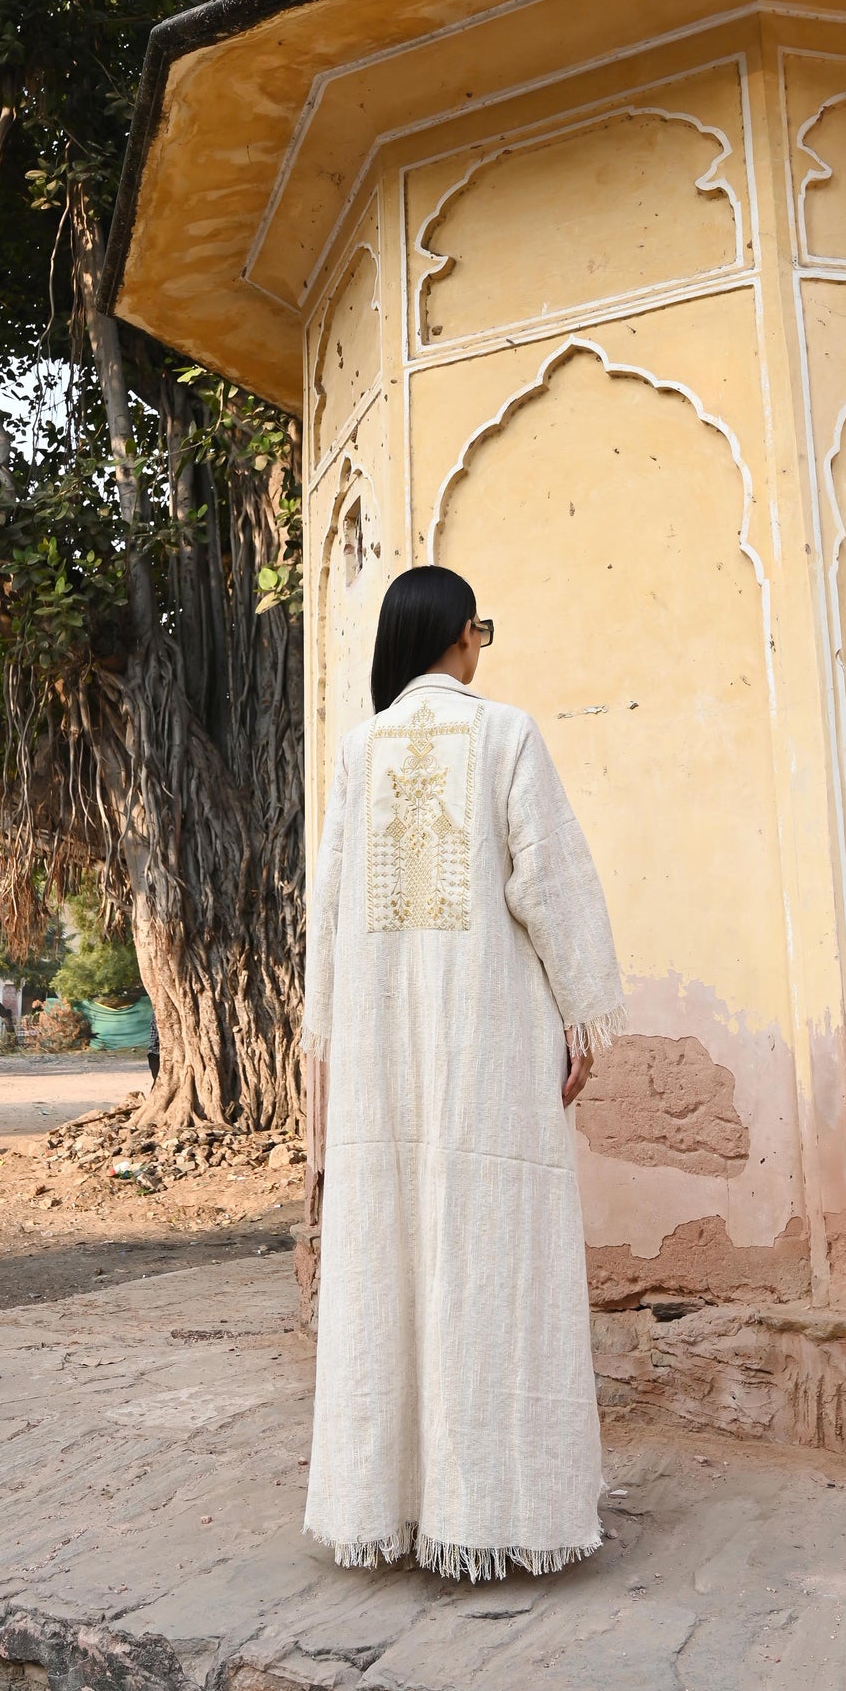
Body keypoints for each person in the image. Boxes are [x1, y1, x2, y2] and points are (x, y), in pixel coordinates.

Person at [303, 564, 627, 1582]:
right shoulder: (505, 734)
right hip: (490, 1051)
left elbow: (326, 914)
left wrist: (329, 1043)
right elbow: (552, 883)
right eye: (476, 627)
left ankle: (386, 1507)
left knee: (387, 1261)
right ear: (454, 636)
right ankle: (498, 1509)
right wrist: (581, 1015)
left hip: (379, 1053)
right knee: (498, 1263)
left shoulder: (358, 750)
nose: (479, 642)